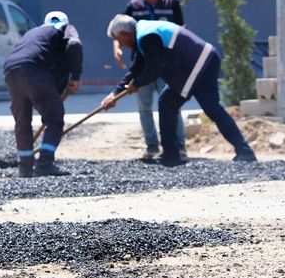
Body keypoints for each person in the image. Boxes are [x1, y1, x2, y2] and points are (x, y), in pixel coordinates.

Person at [101, 14, 258, 166]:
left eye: (117, 39)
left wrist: (137, 83)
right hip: (199, 62)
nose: (119, 44)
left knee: (202, 106)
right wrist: (114, 94)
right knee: (171, 102)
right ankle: (172, 153)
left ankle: (242, 151)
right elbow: (136, 68)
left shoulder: (147, 37)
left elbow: (154, 69)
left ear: (124, 33)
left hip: (199, 64)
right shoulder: (142, 34)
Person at [113, 0, 187, 160]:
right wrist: (117, 48)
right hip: (142, 64)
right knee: (144, 107)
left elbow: (181, 33)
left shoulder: (171, 3)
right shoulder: (134, 6)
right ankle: (152, 145)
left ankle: (178, 146)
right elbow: (120, 30)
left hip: (167, 66)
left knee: (171, 104)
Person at [3, 11, 82, 177]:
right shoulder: (64, 28)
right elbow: (74, 45)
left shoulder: (34, 33)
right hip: (33, 69)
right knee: (55, 118)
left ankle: (24, 168)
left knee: (22, 121)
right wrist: (76, 77)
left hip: (10, 68)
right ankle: (45, 163)